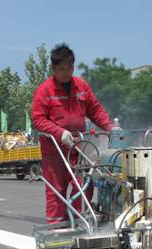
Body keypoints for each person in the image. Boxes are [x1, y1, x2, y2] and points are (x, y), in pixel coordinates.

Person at [32, 43, 114, 224]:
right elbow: (38, 119)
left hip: (78, 147)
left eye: (70, 67)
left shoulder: (81, 86)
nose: (67, 72)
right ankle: (56, 231)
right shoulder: (45, 91)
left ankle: (78, 224)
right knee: (56, 191)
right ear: (53, 68)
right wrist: (59, 132)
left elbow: (96, 110)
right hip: (55, 151)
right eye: (62, 69)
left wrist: (111, 128)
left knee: (84, 186)